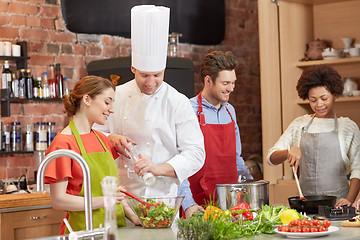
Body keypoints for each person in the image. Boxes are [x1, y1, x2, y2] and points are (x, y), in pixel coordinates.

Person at [93, 5, 205, 199]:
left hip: (164, 198)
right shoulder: (116, 96)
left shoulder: (177, 101)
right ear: (133, 68)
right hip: (124, 197)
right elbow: (92, 134)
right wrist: (111, 139)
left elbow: (196, 153)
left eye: (157, 75)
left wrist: (159, 168)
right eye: (144, 75)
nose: (151, 83)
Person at [44, 76, 140, 234]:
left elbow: (113, 191)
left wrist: (134, 217)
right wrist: (105, 201)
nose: (112, 109)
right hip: (83, 231)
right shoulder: (63, 144)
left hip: (115, 230)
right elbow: (58, 200)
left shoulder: (103, 140)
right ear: (87, 99)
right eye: (107, 102)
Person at [267, 64, 360, 208]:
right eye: (313, 100)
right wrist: (289, 151)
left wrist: (349, 200)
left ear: (334, 95)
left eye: (324, 98)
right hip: (306, 206)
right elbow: (271, 158)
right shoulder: (299, 124)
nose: (319, 104)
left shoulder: (347, 127)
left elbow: (358, 169)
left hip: (338, 207)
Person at [178, 51, 253, 218]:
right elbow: (179, 163)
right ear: (208, 81)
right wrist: (189, 204)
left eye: (233, 83)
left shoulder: (230, 111)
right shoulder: (188, 110)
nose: (231, 88)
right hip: (199, 203)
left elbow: (236, 158)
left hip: (230, 203)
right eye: (225, 83)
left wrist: (249, 188)